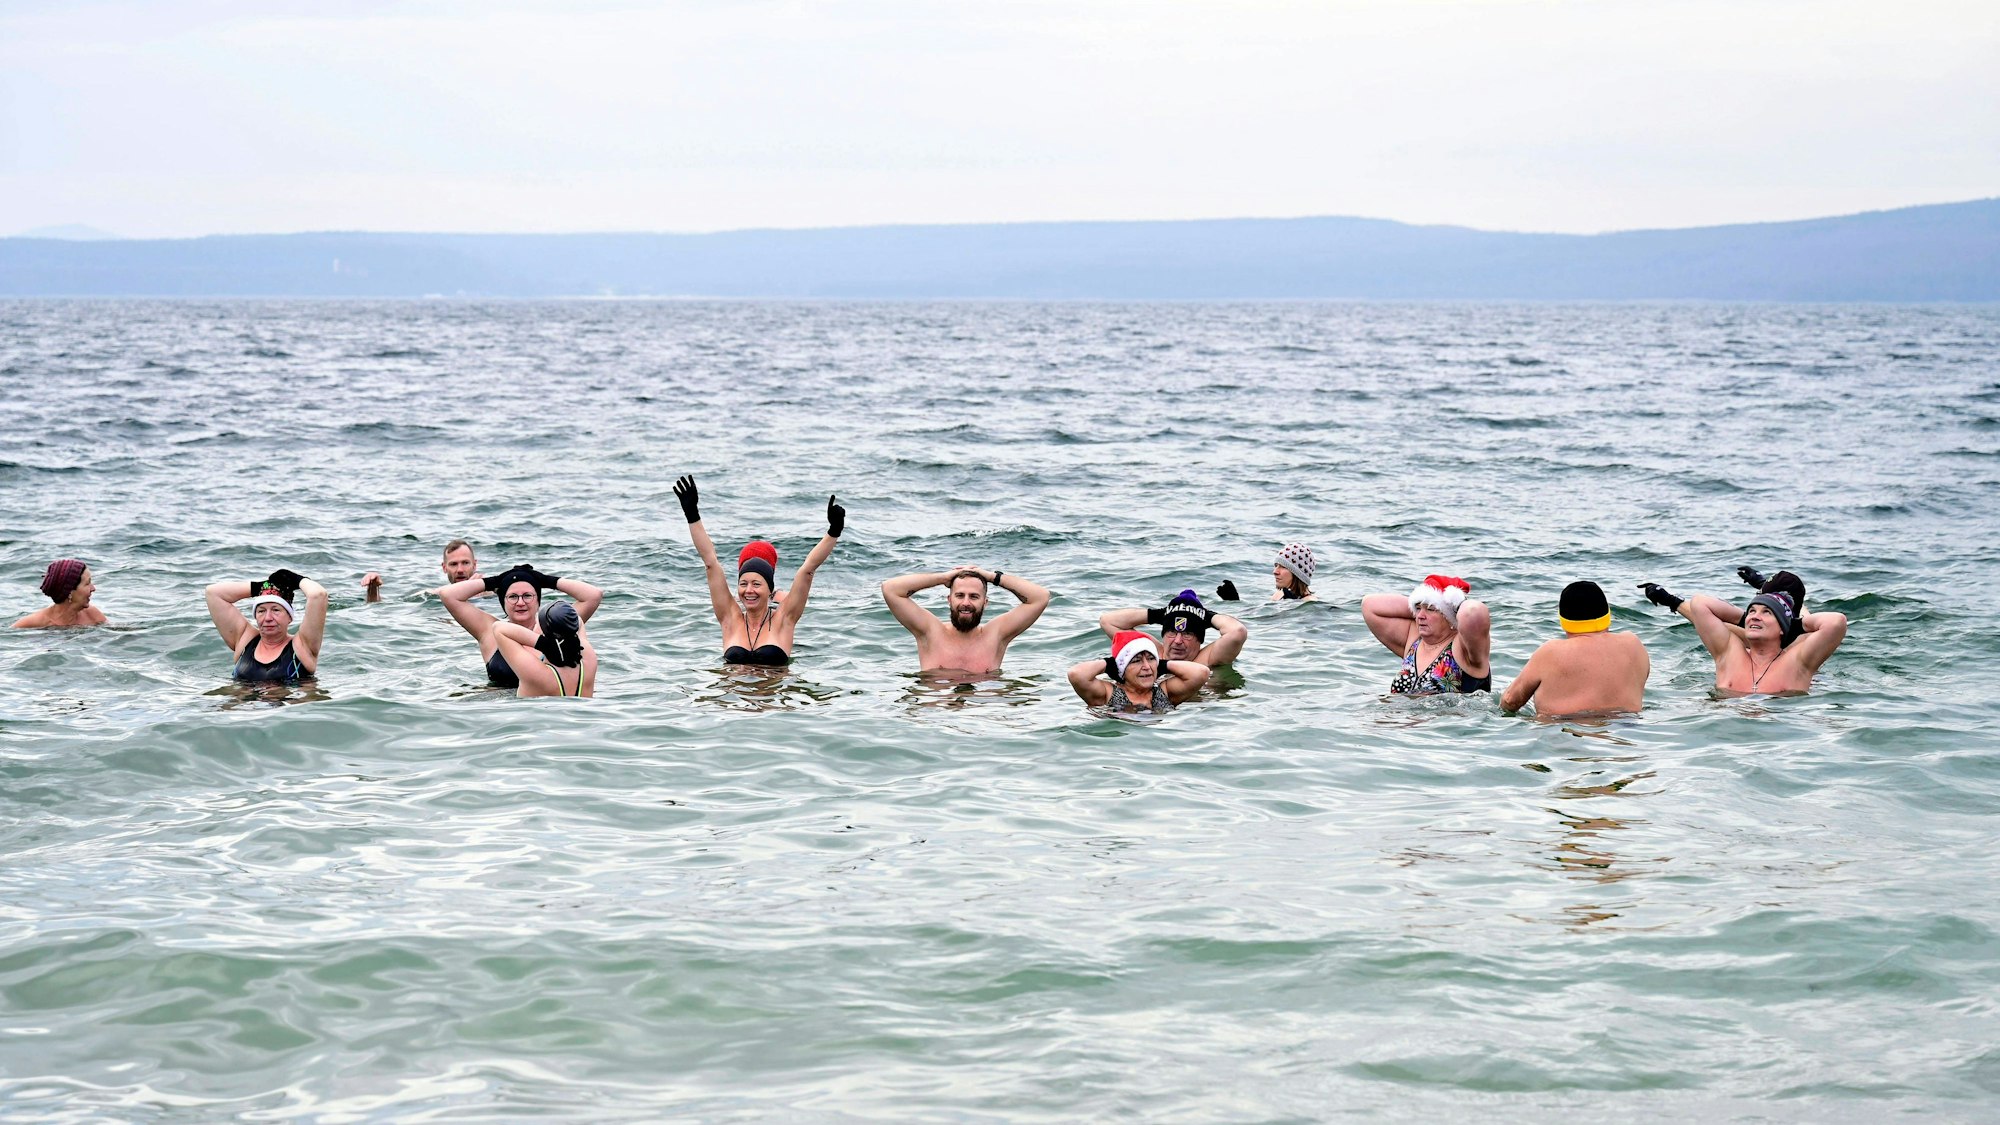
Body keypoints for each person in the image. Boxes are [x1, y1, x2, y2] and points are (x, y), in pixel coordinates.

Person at [674, 474, 843, 666]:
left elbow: (807, 570)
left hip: (773, 693)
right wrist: (692, 515)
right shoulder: (730, 618)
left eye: (756, 584)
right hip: (732, 695)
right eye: (743, 584)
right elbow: (710, 562)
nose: (749, 590)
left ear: (769, 589)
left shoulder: (784, 618)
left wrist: (833, 532)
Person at [1639, 568, 1846, 695]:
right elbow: (1701, 608)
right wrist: (1750, 617)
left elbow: (1835, 622)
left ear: (1786, 623)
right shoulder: (1732, 650)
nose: (1755, 616)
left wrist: (1672, 601)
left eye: (1767, 611)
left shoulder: (1800, 652)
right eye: (1752, 610)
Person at [438, 564, 604, 688]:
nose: (520, 603)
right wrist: (495, 581)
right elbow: (448, 595)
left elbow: (593, 595)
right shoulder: (490, 630)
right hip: (499, 706)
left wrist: (546, 580)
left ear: (538, 600)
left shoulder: (556, 627)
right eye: (512, 596)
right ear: (503, 602)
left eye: (527, 596)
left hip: (544, 706)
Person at [1501, 581, 1649, 717]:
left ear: (1563, 620)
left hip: (1566, 733)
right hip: (1626, 731)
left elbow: (1510, 701)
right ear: (1608, 614)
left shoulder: (1551, 652)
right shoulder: (1634, 644)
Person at [881, 565, 1052, 673]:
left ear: (985, 603)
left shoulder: (996, 635)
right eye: (960, 595)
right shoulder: (930, 631)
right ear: (949, 600)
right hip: (936, 716)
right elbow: (890, 589)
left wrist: (993, 577)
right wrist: (943, 578)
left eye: (974, 597)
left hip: (982, 713)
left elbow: (1040, 597)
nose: (966, 603)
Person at [1360, 575, 1492, 694]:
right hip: (1400, 717)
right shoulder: (1414, 639)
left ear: (1450, 616)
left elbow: (1473, 613)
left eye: (1430, 609)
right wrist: (1420, 604)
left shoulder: (1463, 648)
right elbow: (1369, 605)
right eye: (1417, 608)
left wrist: (1453, 605)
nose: (1420, 616)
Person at [204, 569, 327, 683]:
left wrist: (296, 579)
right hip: (244, 706)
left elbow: (318, 595)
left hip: (287, 705)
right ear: (255, 616)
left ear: (289, 617)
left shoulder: (303, 647)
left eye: (276, 610)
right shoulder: (244, 640)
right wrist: (262, 586)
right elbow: (213, 593)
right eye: (261, 611)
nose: (268, 618)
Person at [1067, 629, 1212, 714]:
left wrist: (1162, 665)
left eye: (1150, 659)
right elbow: (1076, 674)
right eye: (1136, 661)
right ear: (1121, 669)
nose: (1146, 667)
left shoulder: (1164, 692)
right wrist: (1110, 664)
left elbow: (1201, 673)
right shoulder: (1108, 693)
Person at [1096, 589, 1248, 667]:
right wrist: (1160, 615)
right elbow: (1107, 621)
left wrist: (1205, 617)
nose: (1177, 641)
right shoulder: (1152, 652)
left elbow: (1237, 632)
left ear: (1200, 640)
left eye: (1187, 633)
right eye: (1172, 632)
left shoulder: (1207, 659)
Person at [491, 600, 596, 698]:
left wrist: (544, 644)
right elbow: (578, 620)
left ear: (544, 632)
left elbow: (498, 628)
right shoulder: (588, 657)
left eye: (536, 623)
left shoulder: (536, 673)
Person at [360, 538, 481, 602]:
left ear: (474, 565)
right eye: (453, 564)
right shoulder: (435, 595)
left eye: (465, 563)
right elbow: (387, 607)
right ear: (444, 568)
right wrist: (373, 589)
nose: (460, 569)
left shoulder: (493, 590)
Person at [13, 558, 107, 628]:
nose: (93, 588)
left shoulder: (91, 614)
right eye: (87, 583)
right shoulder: (32, 624)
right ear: (70, 591)